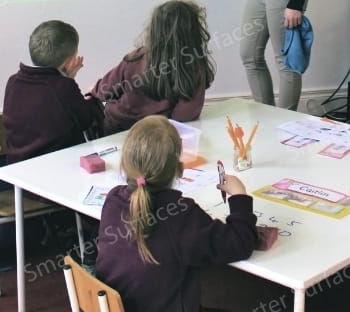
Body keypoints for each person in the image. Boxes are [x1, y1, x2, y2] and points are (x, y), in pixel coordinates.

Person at [96, 115, 257, 312]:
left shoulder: (113, 200)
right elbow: (240, 243)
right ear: (180, 169)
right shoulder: (181, 216)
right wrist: (239, 196)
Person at [90, 0, 216, 135]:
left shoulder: (135, 58)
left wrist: (94, 89)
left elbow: (104, 90)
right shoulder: (193, 69)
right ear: (195, 33)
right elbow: (185, 117)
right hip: (157, 138)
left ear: (154, 31)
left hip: (116, 131)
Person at [2, 19, 103, 163]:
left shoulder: (13, 81)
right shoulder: (63, 87)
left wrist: (66, 79)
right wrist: (72, 81)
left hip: (17, 170)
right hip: (54, 169)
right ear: (69, 62)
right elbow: (86, 120)